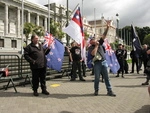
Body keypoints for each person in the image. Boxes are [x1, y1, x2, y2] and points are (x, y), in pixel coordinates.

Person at [88, 21, 116, 96]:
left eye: (94, 38)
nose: (95, 39)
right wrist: (96, 46)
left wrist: (107, 28)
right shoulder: (90, 47)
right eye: (93, 39)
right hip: (97, 63)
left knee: (107, 77)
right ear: (91, 42)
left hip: (104, 62)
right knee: (97, 78)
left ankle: (109, 90)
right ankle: (96, 90)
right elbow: (93, 54)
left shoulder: (100, 43)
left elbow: (104, 35)